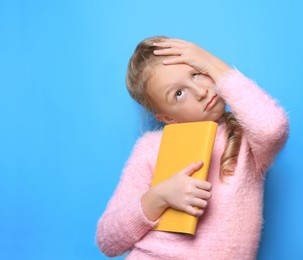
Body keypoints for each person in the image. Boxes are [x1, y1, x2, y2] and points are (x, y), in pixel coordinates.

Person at [96, 36, 289, 259]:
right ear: (167, 117)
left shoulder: (246, 138)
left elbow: (273, 128)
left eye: (197, 73)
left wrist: (211, 63)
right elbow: (107, 240)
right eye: (179, 93)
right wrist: (159, 198)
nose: (201, 92)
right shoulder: (151, 148)